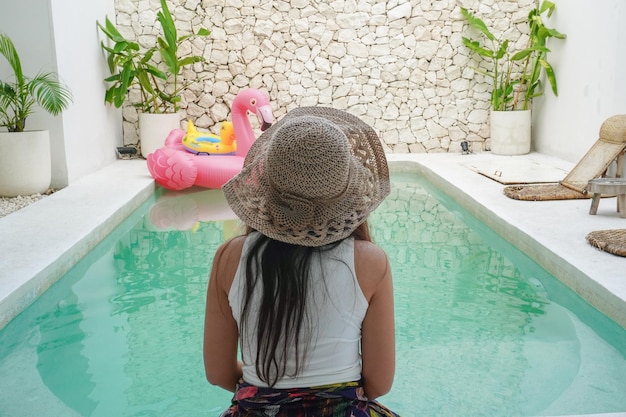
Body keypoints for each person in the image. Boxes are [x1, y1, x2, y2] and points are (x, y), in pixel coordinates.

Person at [203, 106, 401, 417]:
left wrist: (266, 391)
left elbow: (217, 372)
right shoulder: (370, 262)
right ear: (348, 193)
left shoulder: (230, 258)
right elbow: (378, 382)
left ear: (267, 185)